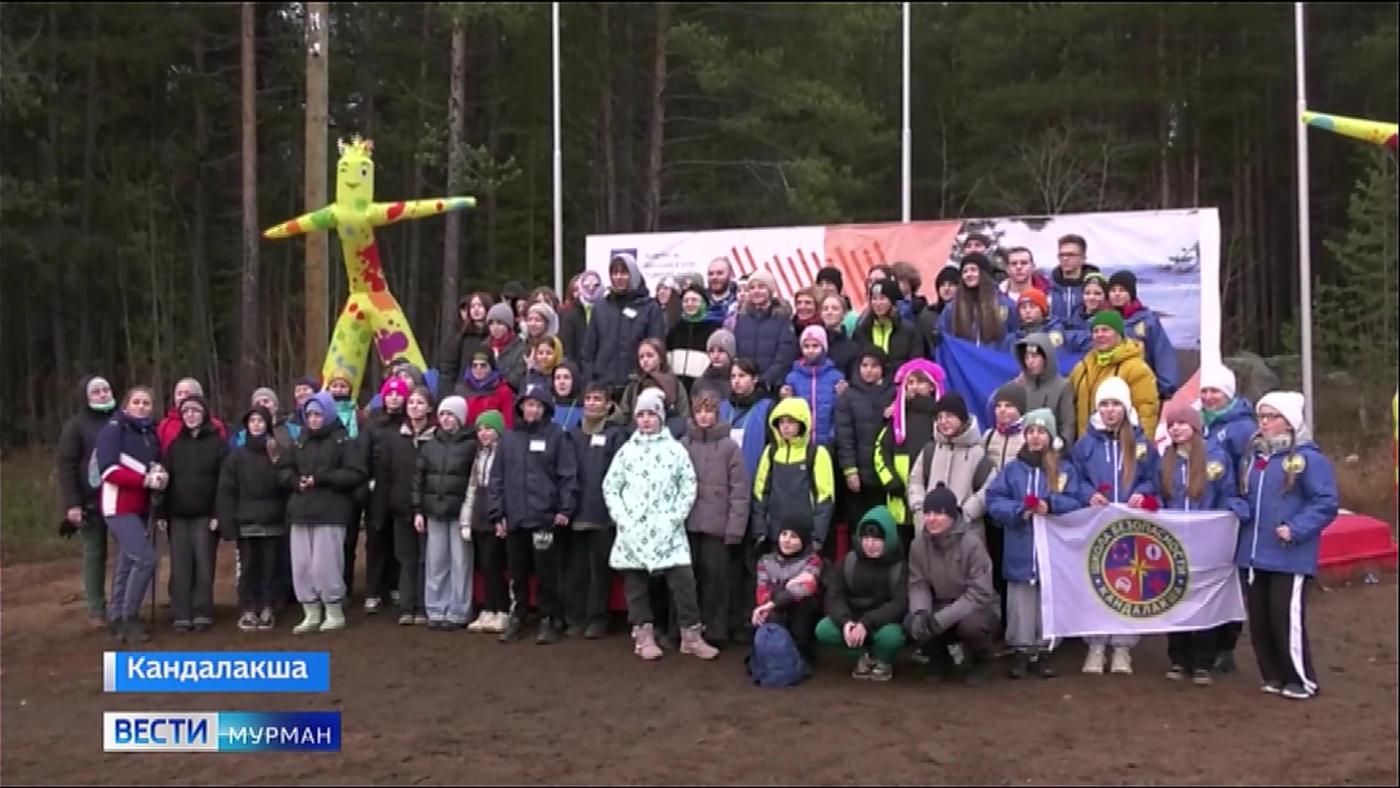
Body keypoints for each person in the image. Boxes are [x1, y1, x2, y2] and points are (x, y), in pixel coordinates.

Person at [1237, 392, 1338, 700]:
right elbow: (1241, 493)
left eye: (1272, 417)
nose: (1265, 423)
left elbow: (1325, 502)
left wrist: (1295, 528)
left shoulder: (1308, 459)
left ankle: (1300, 678)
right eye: (1262, 416)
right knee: (1260, 618)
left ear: (1290, 423)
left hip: (1288, 553)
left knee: (1285, 617)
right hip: (1252, 553)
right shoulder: (1252, 457)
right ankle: (1272, 675)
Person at [604, 388, 718, 661]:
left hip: (669, 530)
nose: (645, 420)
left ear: (661, 417)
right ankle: (643, 636)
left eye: (651, 414)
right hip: (633, 530)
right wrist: (622, 518)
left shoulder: (675, 450)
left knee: (684, 582)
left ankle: (691, 635)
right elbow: (611, 487)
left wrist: (675, 517)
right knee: (637, 586)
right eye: (641, 415)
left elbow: (688, 485)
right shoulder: (626, 452)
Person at [1071, 376, 1160, 675]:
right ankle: (1095, 645)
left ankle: (1123, 648)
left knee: (1128, 586)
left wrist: (1143, 492)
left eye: (1115, 404)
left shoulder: (1142, 443)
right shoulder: (1085, 445)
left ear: (1126, 407)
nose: (1110, 411)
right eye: (1104, 404)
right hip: (1096, 525)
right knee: (1096, 584)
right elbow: (1074, 478)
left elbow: (1154, 478)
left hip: (1130, 528)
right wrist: (1088, 494)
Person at [1158, 403, 1249, 685]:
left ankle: (1203, 662)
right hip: (1174, 541)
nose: (1176, 429)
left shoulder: (1216, 457)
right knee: (1176, 599)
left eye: (1182, 424)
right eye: (1172, 424)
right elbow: (1158, 491)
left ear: (1195, 427)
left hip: (1207, 540)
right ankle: (1178, 659)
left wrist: (1235, 508)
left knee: (1205, 600)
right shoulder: (1165, 459)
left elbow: (1227, 492)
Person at [985, 408, 1080, 678]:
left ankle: (1044, 650)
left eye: (1041, 432)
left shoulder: (1063, 469)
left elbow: (1076, 501)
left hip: (1052, 551)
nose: (1036, 437)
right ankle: (1020, 650)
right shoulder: (1013, 470)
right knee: (1020, 602)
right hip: (1021, 548)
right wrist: (1019, 511)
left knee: (1047, 600)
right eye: (1031, 432)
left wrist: (1049, 505)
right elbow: (994, 500)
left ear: (1051, 436)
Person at [489, 383, 579, 645]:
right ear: (521, 407)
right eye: (529, 404)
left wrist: (564, 508)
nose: (533, 410)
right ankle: (518, 616)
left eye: (538, 405)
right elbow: (496, 479)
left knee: (546, 571)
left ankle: (549, 618)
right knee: (516, 572)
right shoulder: (508, 438)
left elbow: (567, 475)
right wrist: (497, 513)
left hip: (544, 519)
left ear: (546, 408)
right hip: (515, 517)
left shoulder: (557, 436)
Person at [278, 391, 367, 634]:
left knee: (325, 565)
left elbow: (356, 473)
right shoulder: (299, 442)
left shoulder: (343, 441)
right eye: (309, 415)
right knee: (302, 565)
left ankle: (334, 610)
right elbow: (283, 470)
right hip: (300, 510)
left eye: (318, 414)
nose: (314, 420)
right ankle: (310, 611)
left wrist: (323, 479)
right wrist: (296, 481)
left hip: (331, 510)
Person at [904, 485, 1000, 684]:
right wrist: (921, 612)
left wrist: (941, 619)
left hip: (977, 609)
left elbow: (980, 593)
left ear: (951, 516)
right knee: (912, 622)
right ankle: (939, 660)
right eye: (927, 513)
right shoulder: (918, 545)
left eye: (938, 513)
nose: (931, 519)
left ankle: (982, 661)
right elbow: (918, 584)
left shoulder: (972, 543)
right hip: (940, 604)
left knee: (971, 626)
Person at [1197, 364, 1257, 675]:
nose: (1208, 397)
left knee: (1228, 579)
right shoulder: (1200, 424)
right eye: (1205, 391)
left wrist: (1239, 504)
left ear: (1228, 394)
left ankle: (1226, 645)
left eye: (1214, 391)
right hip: (1204, 513)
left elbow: (1245, 471)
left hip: (1229, 513)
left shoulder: (1241, 428)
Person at [683, 389, 752, 646]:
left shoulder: (729, 447)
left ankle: (716, 630)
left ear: (717, 413)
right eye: (699, 411)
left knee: (717, 580)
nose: (703, 416)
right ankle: (689, 629)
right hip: (688, 525)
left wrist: (735, 527)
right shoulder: (683, 444)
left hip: (718, 527)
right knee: (690, 579)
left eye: (708, 411)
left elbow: (740, 491)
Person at [96, 386, 164, 644]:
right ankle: (130, 616)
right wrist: (145, 480)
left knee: (127, 562)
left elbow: (152, 465)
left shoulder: (149, 433)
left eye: (147, 403)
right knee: (146, 558)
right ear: (126, 405)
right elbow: (108, 470)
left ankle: (117, 618)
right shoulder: (115, 429)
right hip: (118, 506)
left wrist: (158, 474)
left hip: (140, 508)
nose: (142, 406)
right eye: (136, 402)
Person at [815, 506, 908, 682]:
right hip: (852, 620)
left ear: (888, 539)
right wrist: (845, 622)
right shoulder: (848, 561)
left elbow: (899, 604)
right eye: (866, 538)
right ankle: (860, 657)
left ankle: (883, 660)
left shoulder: (899, 567)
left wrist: (867, 623)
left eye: (877, 539)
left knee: (892, 637)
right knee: (824, 629)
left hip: (882, 623)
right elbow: (834, 596)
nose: (870, 544)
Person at [218, 406, 288, 632]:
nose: (256, 425)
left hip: (273, 519)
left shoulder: (278, 453)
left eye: (261, 421)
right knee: (248, 568)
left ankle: (268, 606)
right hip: (246, 521)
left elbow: (286, 483)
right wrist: (228, 522)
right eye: (252, 421)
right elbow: (227, 490)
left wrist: (278, 461)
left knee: (270, 567)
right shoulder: (236, 456)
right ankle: (248, 607)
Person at [160, 395, 227, 633]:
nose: (190, 415)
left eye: (195, 411)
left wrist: (219, 513)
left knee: (204, 564)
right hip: (178, 515)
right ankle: (181, 613)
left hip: (205, 515)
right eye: (186, 411)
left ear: (204, 414)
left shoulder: (218, 444)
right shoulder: (175, 445)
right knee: (180, 565)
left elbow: (224, 482)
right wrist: (160, 511)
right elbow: (165, 479)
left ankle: (202, 611)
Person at [56, 374, 118, 628]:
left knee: (128, 555)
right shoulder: (76, 426)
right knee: (94, 554)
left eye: (106, 389)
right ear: (87, 397)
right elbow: (67, 465)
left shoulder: (121, 419)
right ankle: (96, 609)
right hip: (89, 502)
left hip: (121, 499)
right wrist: (73, 503)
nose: (103, 394)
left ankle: (123, 605)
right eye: (97, 391)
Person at [563, 383, 624, 639]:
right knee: (576, 570)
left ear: (608, 404)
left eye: (597, 398)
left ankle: (598, 619)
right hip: (576, 514)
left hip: (603, 514)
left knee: (600, 572)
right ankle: (575, 618)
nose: (591, 403)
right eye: (587, 398)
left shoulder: (616, 434)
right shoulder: (572, 434)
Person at [414, 395, 476, 630]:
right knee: (436, 563)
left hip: (460, 513)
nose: (446, 419)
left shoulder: (471, 445)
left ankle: (459, 610)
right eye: (442, 414)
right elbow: (418, 480)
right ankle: (436, 608)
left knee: (460, 563)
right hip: (434, 512)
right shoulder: (430, 445)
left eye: (451, 414)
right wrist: (418, 509)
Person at [873, 359, 947, 542]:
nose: (914, 387)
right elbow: (880, 452)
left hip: (934, 506)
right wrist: (891, 481)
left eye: (920, 381)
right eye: (910, 382)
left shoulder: (943, 420)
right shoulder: (897, 418)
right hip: (899, 505)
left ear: (932, 386)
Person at [906, 393, 996, 543]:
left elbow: (988, 489)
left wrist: (966, 513)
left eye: (949, 416)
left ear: (962, 419)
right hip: (929, 533)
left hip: (966, 535)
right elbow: (915, 481)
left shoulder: (978, 453)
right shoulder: (930, 450)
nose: (943, 422)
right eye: (939, 417)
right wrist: (921, 509)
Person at [751, 397, 836, 553]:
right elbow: (760, 493)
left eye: (791, 422)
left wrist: (818, 536)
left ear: (802, 423)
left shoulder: (817, 454)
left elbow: (825, 498)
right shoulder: (771, 452)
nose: (786, 427)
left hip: (807, 536)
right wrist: (760, 530)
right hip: (775, 535)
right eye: (782, 422)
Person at [362, 378, 412, 620]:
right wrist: (368, 480)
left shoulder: (408, 423)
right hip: (377, 489)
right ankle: (373, 590)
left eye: (398, 394)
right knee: (376, 540)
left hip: (401, 487)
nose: (394, 398)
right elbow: (363, 453)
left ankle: (395, 587)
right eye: (390, 394)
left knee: (399, 540)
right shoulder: (372, 425)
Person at [1068, 310, 1160, 439]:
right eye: (1096, 331)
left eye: (1105, 330)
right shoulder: (1082, 367)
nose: (1100, 335)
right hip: (1086, 448)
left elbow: (1146, 413)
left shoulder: (1136, 369)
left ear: (1119, 334)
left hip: (1121, 448)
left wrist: (1141, 449)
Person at [584, 253, 666, 397]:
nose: (619, 277)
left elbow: (657, 350)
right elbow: (589, 350)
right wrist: (591, 382)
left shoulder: (650, 308)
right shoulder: (601, 307)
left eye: (624, 272)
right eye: (615, 273)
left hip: (636, 387)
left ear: (633, 274)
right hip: (604, 387)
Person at [835, 348, 895, 534]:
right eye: (864, 365)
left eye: (874, 366)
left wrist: (899, 407)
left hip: (886, 473)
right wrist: (850, 470)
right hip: (858, 474)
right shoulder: (848, 396)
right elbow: (844, 436)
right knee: (859, 525)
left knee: (884, 525)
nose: (869, 370)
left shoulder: (894, 394)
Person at [752, 517, 823, 667]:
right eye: (784, 534)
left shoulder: (813, 560)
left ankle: (802, 656)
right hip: (774, 608)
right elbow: (762, 592)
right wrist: (788, 586)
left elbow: (805, 589)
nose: (787, 540)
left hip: (800, 609)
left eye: (794, 536)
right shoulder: (765, 561)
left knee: (805, 605)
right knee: (767, 614)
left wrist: (776, 598)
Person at [462, 411, 509, 634]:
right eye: (480, 429)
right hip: (478, 515)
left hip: (495, 516)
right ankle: (488, 608)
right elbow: (472, 488)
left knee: (494, 565)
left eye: (488, 428)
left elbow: (506, 488)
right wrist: (466, 520)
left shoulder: (505, 454)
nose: (483, 433)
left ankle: (502, 610)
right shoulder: (479, 454)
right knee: (484, 565)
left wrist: (502, 517)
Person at [1107, 271, 1178, 399]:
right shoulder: (1102, 320)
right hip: (1110, 391)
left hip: (1142, 388)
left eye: (1122, 290)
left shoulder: (1147, 321)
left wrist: (1165, 388)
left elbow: (1162, 354)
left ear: (1131, 293)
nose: (1117, 294)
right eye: (1113, 290)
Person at [781, 325, 845, 449]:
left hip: (828, 442)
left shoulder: (835, 376)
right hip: (801, 443)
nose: (810, 350)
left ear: (823, 348)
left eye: (815, 346)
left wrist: (833, 435)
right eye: (806, 346)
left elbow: (839, 410)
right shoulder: (793, 377)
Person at [733, 272, 798, 392]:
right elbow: (737, 354)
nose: (756, 291)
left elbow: (784, 358)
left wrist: (764, 381)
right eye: (752, 288)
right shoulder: (742, 319)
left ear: (770, 290)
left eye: (761, 287)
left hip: (771, 388)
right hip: (745, 389)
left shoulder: (782, 318)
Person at [939, 253, 1015, 348]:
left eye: (973, 270)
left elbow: (1013, 337)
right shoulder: (952, 308)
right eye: (965, 271)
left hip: (994, 360)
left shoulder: (1005, 305)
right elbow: (944, 338)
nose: (968, 275)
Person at [1015, 333, 1077, 449]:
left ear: (1046, 358)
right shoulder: (1020, 384)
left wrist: (1061, 446)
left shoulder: (1062, 386)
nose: (1030, 362)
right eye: (1027, 357)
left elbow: (1068, 424)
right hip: (1023, 450)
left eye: (1034, 356)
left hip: (1052, 450)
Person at [616, 338, 690, 430]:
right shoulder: (634, 385)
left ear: (661, 358)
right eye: (641, 357)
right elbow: (624, 415)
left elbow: (683, 414)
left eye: (650, 356)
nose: (645, 360)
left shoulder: (675, 384)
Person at [853, 280, 924, 372]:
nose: (878, 303)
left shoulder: (909, 331)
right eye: (874, 298)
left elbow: (916, 364)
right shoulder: (862, 330)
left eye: (882, 298)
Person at [437, 291, 494, 399]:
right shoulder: (461, 338)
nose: (476, 309)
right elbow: (448, 370)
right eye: (472, 306)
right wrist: (446, 396)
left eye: (480, 305)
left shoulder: (493, 337)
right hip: (462, 393)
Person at [726, 359, 776, 479]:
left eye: (742, 376)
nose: (736, 381)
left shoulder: (767, 407)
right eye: (733, 376)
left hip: (756, 478)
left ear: (755, 379)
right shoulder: (723, 407)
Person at [667, 281, 721, 391]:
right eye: (686, 301)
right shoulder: (675, 330)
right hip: (677, 391)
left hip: (704, 390)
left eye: (695, 300)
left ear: (704, 303)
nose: (690, 304)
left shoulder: (715, 331)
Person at [157, 377, 228, 452]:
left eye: (187, 393)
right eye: (179, 394)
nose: (182, 397)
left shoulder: (214, 425)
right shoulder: (165, 425)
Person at [457, 349, 516, 431]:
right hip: (465, 437)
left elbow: (508, 424)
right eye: (474, 365)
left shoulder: (503, 391)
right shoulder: (461, 389)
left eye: (483, 365)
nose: (478, 369)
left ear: (491, 367)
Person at [1048, 233, 1101, 324]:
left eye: (1071, 255)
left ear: (1083, 258)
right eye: (1061, 255)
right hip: (1056, 336)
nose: (1065, 258)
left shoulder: (1097, 288)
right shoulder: (1049, 287)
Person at [1003, 288, 1067, 351]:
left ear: (1043, 310)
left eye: (1032, 306)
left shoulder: (1054, 334)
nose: (1027, 311)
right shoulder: (1011, 339)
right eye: (1023, 307)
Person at [483, 303, 528, 393]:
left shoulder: (520, 347)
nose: (495, 327)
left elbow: (518, 380)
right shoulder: (484, 346)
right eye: (491, 323)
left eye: (499, 323)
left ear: (508, 326)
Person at [560, 271, 602, 361]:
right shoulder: (570, 314)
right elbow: (567, 348)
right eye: (586, 286)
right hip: (578, 368)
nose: (591, 289)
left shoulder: (608, 309)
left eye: (596, 285)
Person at [1064, 272, 1110, 353]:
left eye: (1097, 293)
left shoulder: (1110, 319)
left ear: (1105, 296)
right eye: (1087, 293)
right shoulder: (1073, 316)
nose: (1091, 297)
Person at [818, 294, 860, 378]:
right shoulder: (813, 342)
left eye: (835, 308)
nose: (829, 312)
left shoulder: (852, 347)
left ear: (844, 314)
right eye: (825, 309)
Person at [814, 265, 860, 336]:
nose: (824, 288)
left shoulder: (851, 317)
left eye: (829, 283)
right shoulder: (813, 311)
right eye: (820, 284)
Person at [695, 329, 735, 400]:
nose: (715, 356)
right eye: (711, 351)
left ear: (731, 354)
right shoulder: (700, 383)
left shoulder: (739, 382)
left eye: (721, 351)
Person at [550, 360, 584, 432]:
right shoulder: (547, 407)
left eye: (566, 377)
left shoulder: (585, 409)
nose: (561, 382)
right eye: (558, 378)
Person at [705, 257, 740, 324]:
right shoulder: (700, 301)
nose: (714, 277)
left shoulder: (740, 300)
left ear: (731, 275)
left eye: (720, 273)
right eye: (711, 274)